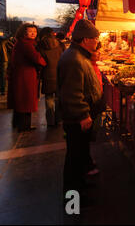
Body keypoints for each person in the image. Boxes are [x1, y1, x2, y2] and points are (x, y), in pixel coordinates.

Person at [57, 19, 105, 195]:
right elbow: (72, 93)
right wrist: (83, 114)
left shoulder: (78, 55)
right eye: (95, 38)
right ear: (85, 39)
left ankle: (81, 186)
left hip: (79, 116)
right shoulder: (73, 59)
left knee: (79, 155)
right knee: (74, 158)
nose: (97, 42)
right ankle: (74, 200)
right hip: (76, 118)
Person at [7, 23, 47, 132]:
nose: (33, 33)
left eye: (35, 31)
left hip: (21, 75)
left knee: (20, 101)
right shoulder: (26, 44)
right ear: (24, 32)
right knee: (25, 101)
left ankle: (18, 124)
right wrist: (45, 62)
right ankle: (24, 126)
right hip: (25, 77)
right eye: (30, 31)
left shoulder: (21, 43)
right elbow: (37, 58)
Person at [37, 27, 64, 127]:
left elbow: (38, 61)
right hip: (59, 74)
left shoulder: (39, 46)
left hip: (47, 75)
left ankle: (50, 121)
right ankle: (59, 119)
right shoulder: (60, 44)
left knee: (49, 99)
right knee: (58, 99)